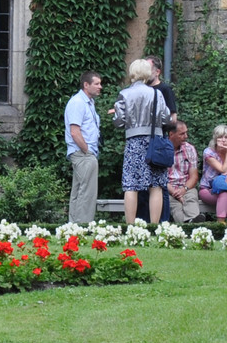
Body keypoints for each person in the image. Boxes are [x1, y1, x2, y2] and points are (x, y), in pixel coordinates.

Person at [112, 58, 173, 224]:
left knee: (131, 185)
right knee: (156, 186)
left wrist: (117, 110)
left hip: (133, 142)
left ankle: (130, 227)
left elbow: (119, 122)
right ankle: (154, 226)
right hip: (155, 142)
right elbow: (166, 118)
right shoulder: (156, 93)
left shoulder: (124, 94)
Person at [64, 71, 104, 226]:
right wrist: (87, 150)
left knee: (80, 191)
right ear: (86, 85)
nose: (100, 87)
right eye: (97, 83)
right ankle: (83, 227)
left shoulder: (87, 102)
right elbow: (75, 131)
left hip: (84, 153)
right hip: (83, 153)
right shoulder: (78, 103)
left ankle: (74, 227)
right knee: (87, 193)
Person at [163, 118, 204, 224]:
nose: (186, 136)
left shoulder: (189, 149)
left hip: (186, 186)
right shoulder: (162, 149)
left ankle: (191, 222)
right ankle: (193, 224)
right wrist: (174, 192)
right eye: (182, 134)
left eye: (186, 133)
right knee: (175, 205)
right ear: (171, 134)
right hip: (167, 188)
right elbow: (159, 177)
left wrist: (183, 189)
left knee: (191, 198)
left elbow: (194, 176)